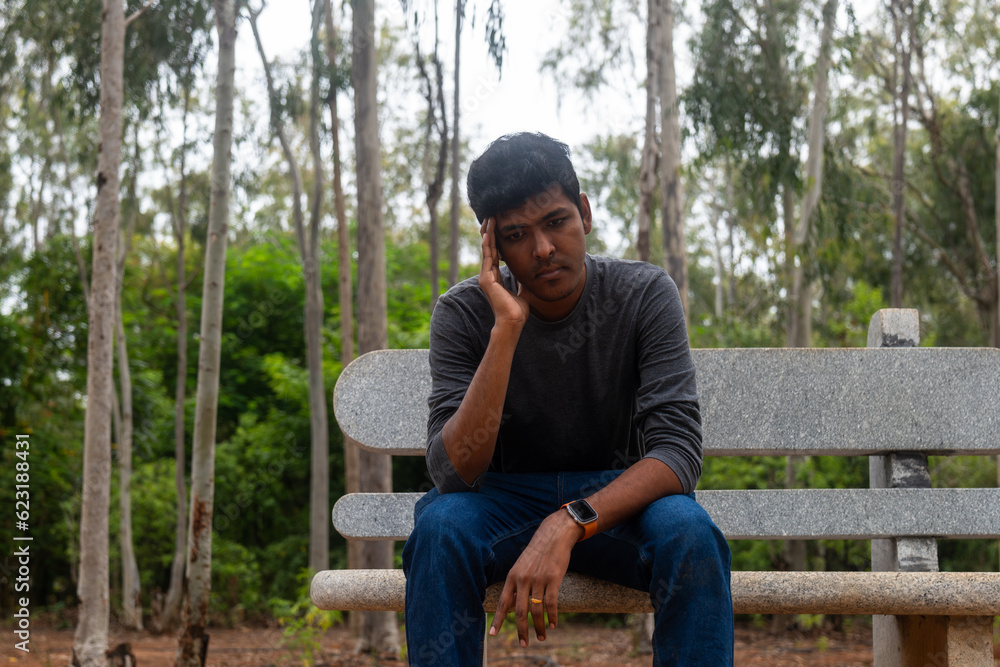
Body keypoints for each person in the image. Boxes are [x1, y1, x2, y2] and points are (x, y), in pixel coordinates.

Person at [401, 132, 733, 666]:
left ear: (584, 212)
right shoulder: (464, 313)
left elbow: (676, 455)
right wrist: (506, 328)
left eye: (556, 221)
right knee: (440, 527)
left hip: (616, 505)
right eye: (516, 234)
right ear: (493, 245)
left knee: (689, 532)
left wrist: (570, 519)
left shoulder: (644, 294)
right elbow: (453, 474)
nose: (542, 249)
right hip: (501, 505)